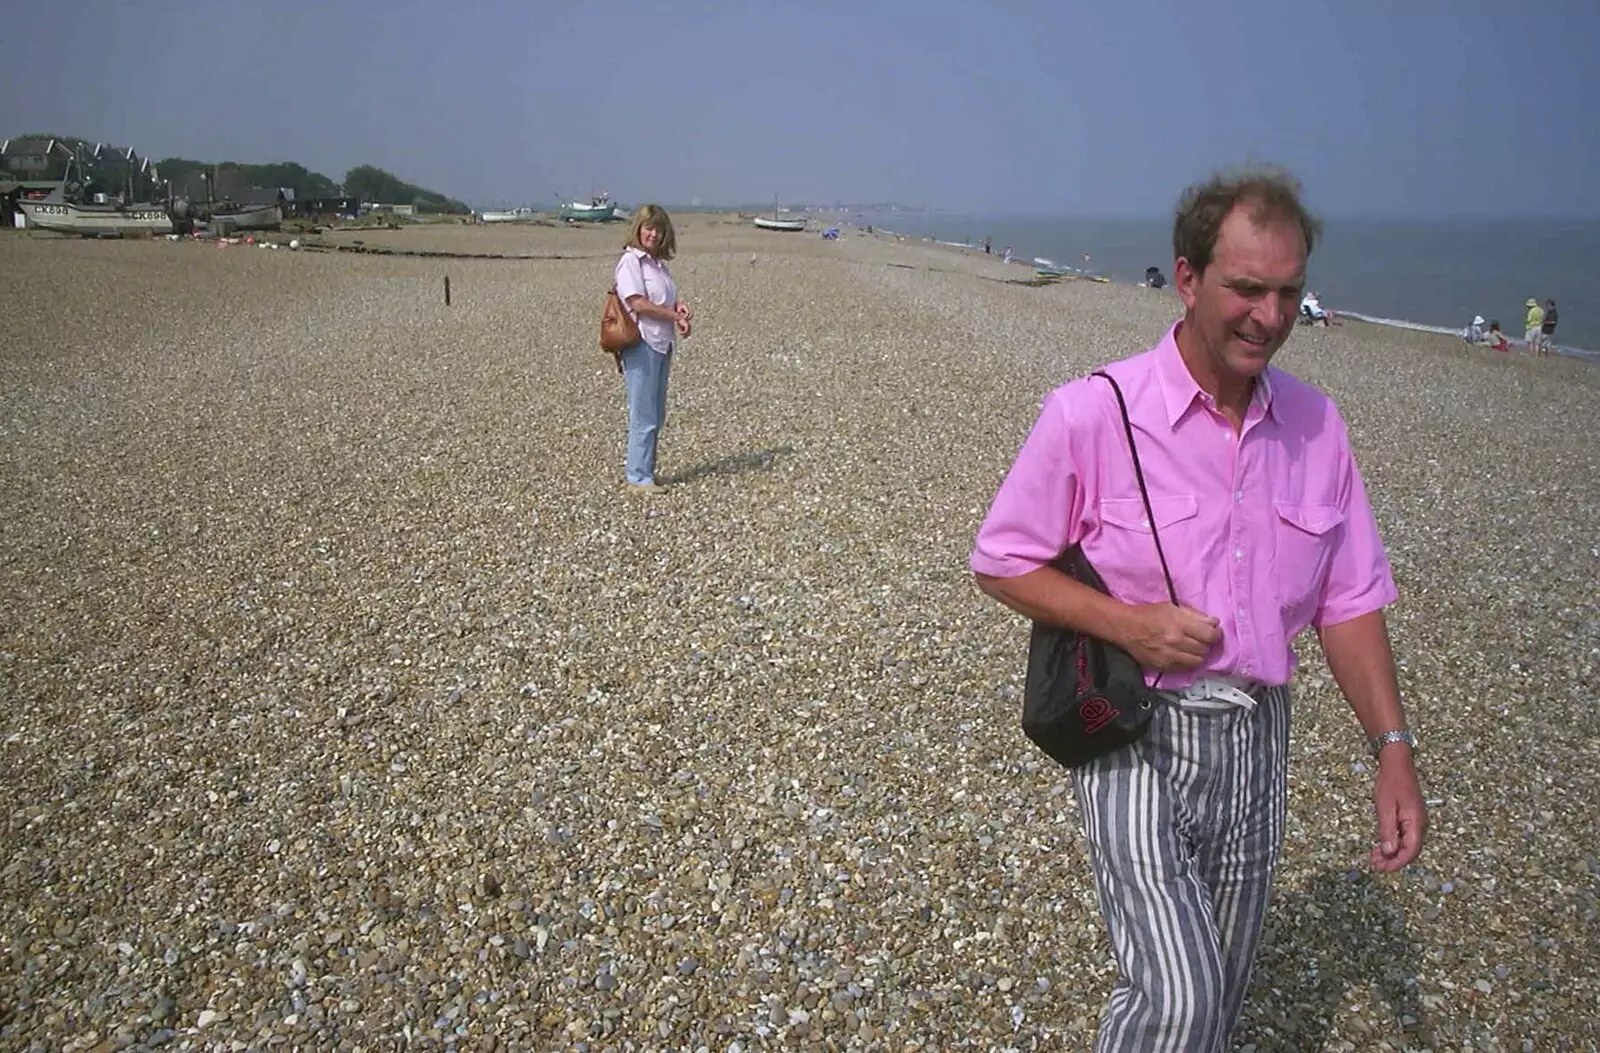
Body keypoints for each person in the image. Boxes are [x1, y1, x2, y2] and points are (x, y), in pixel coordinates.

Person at [969, 166, 1425, 1052]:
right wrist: (1130, 624)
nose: (1271, 314)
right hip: (1135, 728)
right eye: (1247, 288)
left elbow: (1349, 598)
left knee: (1216, 1004)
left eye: (1290, 291)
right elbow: (1000, 560)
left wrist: (1392, 751)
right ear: (1187, 278)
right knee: (1177, 996)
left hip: (1258, 737)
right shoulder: (1091, 414)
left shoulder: (1318, 427)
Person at [613, 204, 691, 491]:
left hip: (661, 343)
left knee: (656, 413)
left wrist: (678, 307)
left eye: (658, 229)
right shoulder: (631, 262)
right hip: (641, 342)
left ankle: (647, 469)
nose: (654, 234)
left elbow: (665, 297)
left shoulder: (657, 264)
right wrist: (674, 316)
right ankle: (637, 476)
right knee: (643, 413)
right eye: (649, 228)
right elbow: (637, 303)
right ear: (638, 229)